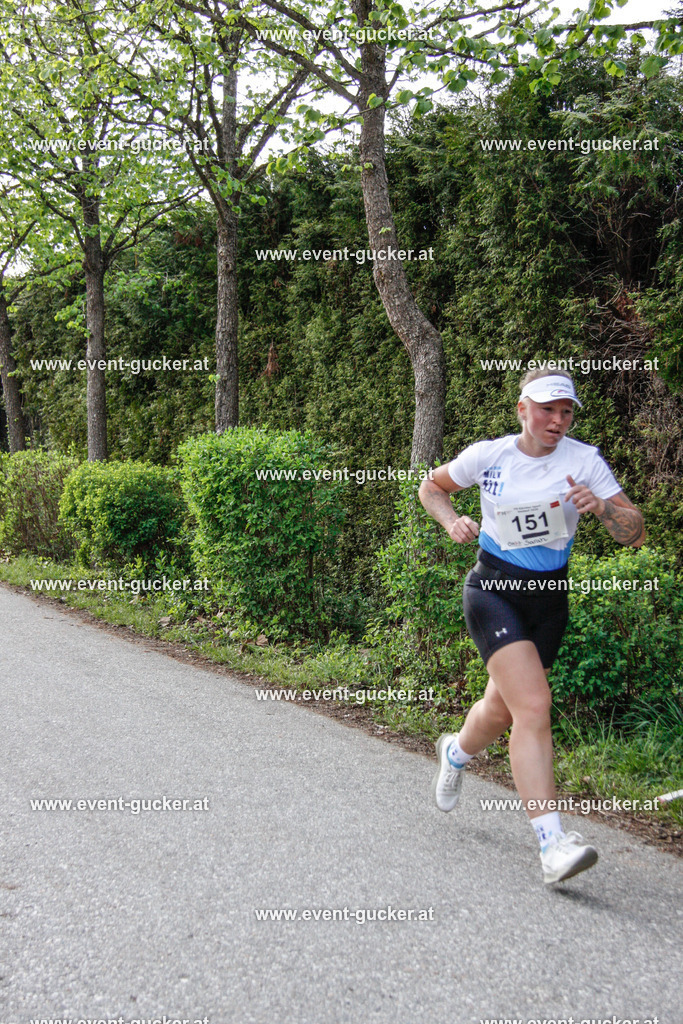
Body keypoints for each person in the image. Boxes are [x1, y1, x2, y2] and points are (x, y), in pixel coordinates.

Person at [418, 368, 645, 884]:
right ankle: (551, 844)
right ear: (522, 409)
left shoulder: (584, 461)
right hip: (493, 590)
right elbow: (431, 486)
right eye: (547, 409)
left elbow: (633, 532)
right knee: (536, 706)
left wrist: (604, 507)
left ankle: (455, 752)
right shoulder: (489, 455)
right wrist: (450, 520)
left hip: (549, 599)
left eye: (566, 412)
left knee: (502, 708)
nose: (557, 420)